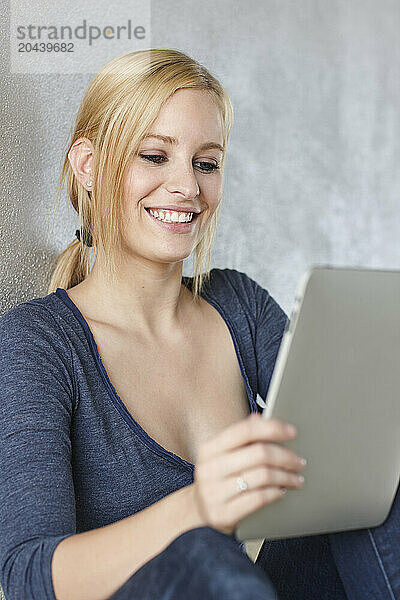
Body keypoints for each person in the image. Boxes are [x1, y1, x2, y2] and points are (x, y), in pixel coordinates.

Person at [0, 48, 398, 600]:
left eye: (205, 163)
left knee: (384, 490)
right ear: (88, 166)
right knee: (198, 548)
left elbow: (343, 451)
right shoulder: (37, 344)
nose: (187, 187)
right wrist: (198, 507)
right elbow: (25, 578)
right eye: (155, 156)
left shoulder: (237, 305)